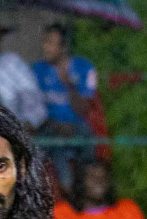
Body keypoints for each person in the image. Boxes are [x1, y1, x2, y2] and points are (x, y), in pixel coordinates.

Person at [32, 23, 98, 187]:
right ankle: (66, 188)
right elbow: (31, 108)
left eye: (50, 42)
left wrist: (68, 84)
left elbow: (84, 109)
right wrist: (53, 124)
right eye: (44, 42)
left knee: (85, 138)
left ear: (63, 47)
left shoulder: (84, 68)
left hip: (76, 124)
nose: (45, 47)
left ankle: (83, 185)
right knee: (52, 143)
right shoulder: (36, 70)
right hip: (47, 126)